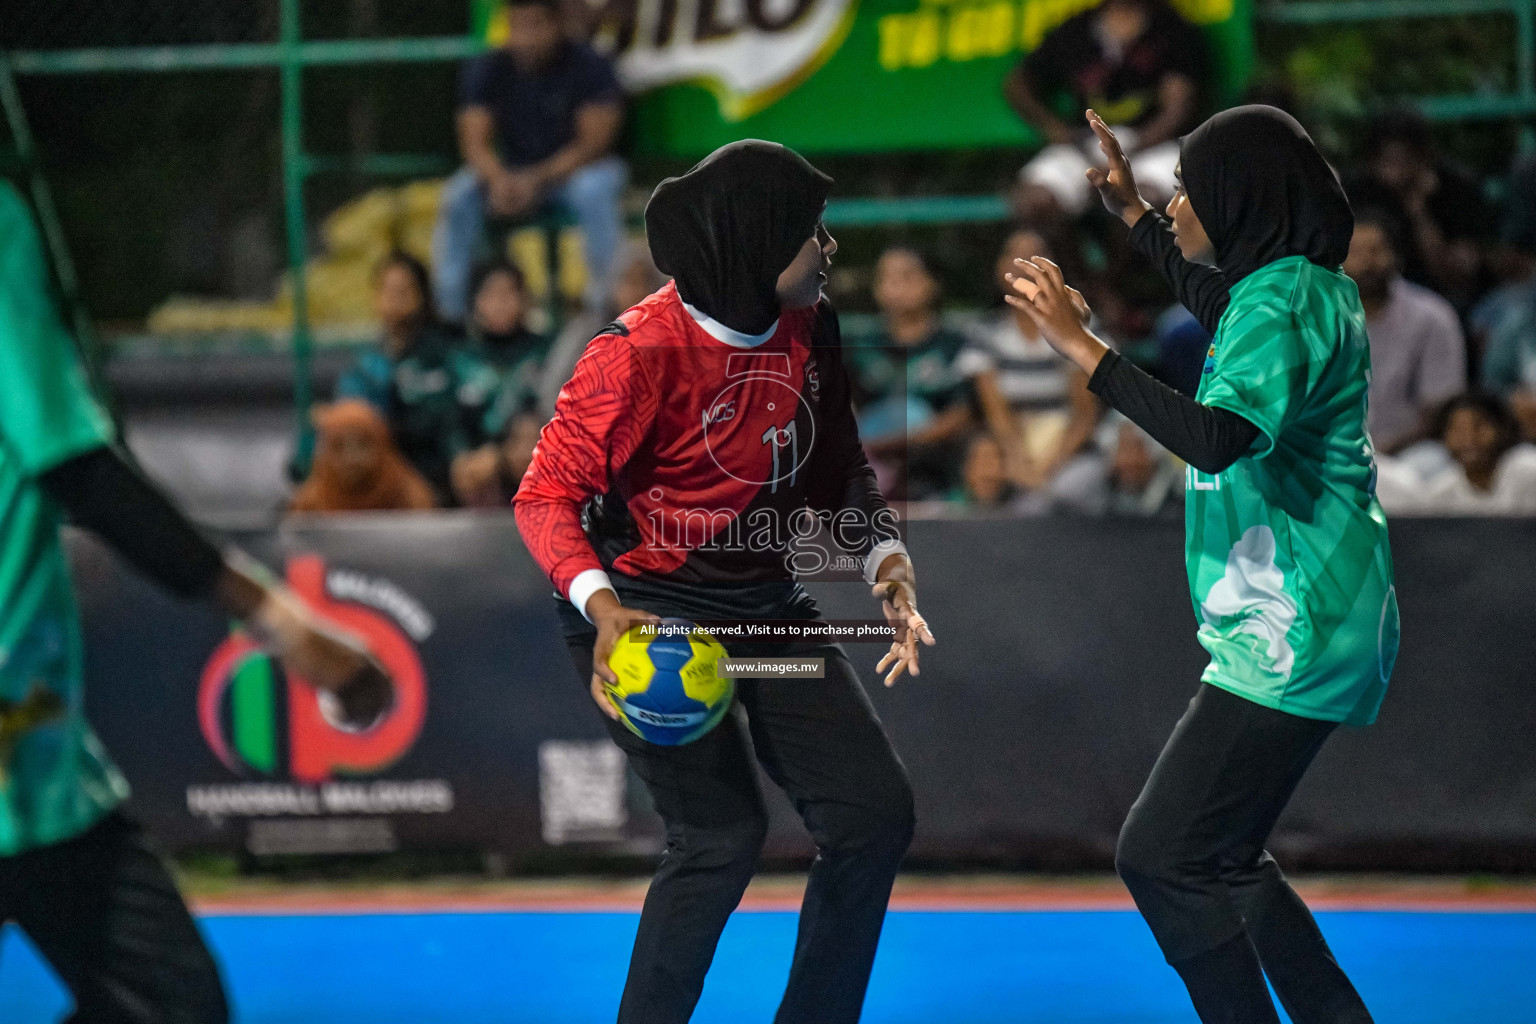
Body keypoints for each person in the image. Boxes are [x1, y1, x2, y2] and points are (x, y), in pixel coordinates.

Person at [514, 140, 934, 1024]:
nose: (830, 249)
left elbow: (836, 469)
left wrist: (883, 561)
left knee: (872, 816)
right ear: (756, 240)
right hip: (650, 617)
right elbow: (544, 494)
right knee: (718, 835)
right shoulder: (633, 356)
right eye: (812, 231)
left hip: (766, 622)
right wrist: (602, 611)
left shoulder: (809, 326)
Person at [1008, 106, 1395, 1024]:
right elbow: (1218, 303)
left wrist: (1084, 347)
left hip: (1297, 621)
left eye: (1187, 188)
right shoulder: (1304, 286)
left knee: (1161, 855)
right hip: (1317, 614)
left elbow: (1218, 437)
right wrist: (1133, 215)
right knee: (1222, 857)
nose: (1179, 203)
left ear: (1238, 197)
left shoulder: (1281, 300)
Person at [0, 182, 392, 1023]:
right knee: (171, 1004)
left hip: (33, 762)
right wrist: (279, 619)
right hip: (16, 758)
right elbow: (78, 468)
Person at [432, 0, 627, 321]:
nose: (525, 37)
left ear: (557, 24)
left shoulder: (590, 64)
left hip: (571, 175)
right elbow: (473, 142)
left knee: (595, 188)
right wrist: (499, 179)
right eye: (517, 26)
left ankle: (610, 310)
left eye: (535, 25)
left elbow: (593, 144)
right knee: (458, 195)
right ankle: (451, 316)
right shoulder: (489, 66)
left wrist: (534, 180)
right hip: (510, 176)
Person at [1004, 0, 1206, 220]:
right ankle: (1068, 255)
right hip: (1084, 143)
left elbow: (1177, 110)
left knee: (1140, 202)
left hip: (1153, 145)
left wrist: (1118, 158)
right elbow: (1018, 84)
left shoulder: (1172, 30)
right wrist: (1054, 127)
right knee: (1035, 201)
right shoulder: (1076, 30)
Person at [337, 252, 498, 502]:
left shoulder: (445, 353)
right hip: (376, 472)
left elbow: (453, 418)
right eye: (387, 290)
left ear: (422, 296)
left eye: (404, 291)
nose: (394, 300)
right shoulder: (365, 364)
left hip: (437, 474)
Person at [958, 229, 1104, 492]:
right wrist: (1020, 461)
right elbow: (995, 412)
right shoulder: (983, 335)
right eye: (1016, 256)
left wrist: (1049, 467)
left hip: (1072, 452)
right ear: (999, 267)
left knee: (1070, 489)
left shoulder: (1078, 328)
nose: (1026, 265)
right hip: (1010, 450)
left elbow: (1085, 414)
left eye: (1036, 256)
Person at [849, 247, 974, 499]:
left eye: (906, 277)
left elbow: (963, 413)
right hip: (871, 465)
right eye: (886, 278)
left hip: (941, 468)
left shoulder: (954, 344)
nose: (895, 287)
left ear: (932, 284)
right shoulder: (861, 347)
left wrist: (904, 440)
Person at [1344, 108, 1493, 314]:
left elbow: (1457, 278)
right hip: (1369, 294)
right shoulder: (1357, 189)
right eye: (1388, 160)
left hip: (1441, 296)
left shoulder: (1457, 186)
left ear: (1424, 157)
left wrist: (1419, 210)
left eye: (1405, 159)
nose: (1397, 171)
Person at [1342, 209, 1466, 454]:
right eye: (1355, 252)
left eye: (1376, 251)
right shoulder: (1317, 318)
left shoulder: (1433, 316)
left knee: (1430, 463)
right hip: (1336, 451)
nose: (1366, 262)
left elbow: (1441, 410)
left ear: (1396, 255)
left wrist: (1381, 453)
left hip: (1411, 451)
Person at [450, 259, 550, 506]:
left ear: (525, 300)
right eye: (490, 294)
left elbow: (547, 410)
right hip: (474, 465)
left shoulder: (544, 352)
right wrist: (459, 456)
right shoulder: (460, 357)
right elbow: (449, 419)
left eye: (509, 293)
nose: (500, 303)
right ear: (475, 302)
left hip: (531, 456)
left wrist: (499, 454)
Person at [536, 239, 669, 418]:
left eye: (643, 282)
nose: (635, 291)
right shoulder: (587, 331)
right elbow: (551, 391)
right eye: (627, 281)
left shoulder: (670, 336)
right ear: (612, 285)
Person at [1375, 392, 1536, 515]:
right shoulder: (1441, 494)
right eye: (1457, 430)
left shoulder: (1528, 469)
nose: (1468, 439)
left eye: (1479, 427)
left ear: (1502, 430)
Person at [289, 400, 437, 514]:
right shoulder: (310, 504)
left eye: (363, 445)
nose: (351, 459)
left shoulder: (411, 499)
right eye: (338, 447)